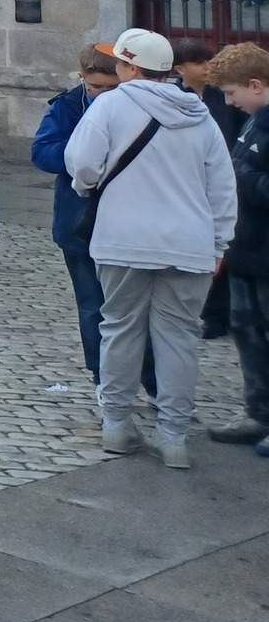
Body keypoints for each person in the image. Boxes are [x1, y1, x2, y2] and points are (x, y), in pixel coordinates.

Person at [65, 28, 236, 468]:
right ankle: (174, 435)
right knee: (178, 337)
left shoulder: (110, 105)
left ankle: (117, 425)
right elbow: (222, 185)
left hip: (122, 238)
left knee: (119, 328)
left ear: (130, 67)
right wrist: (220, 241)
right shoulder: (199, 113)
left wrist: (89, 187)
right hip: (189, 242)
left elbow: (81, 164)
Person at [31, 46, 134, 389]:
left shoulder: (135, 108)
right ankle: (101, 375)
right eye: (95, 88)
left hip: (127, 221)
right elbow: (42, 151)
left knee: (134, 308)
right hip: (80, 221)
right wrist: (82, 151)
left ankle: (148, 378)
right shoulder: (67, 106)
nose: (103, 96)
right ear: (82, 80)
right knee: (92, 304)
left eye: (110, 88)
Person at [207, 42, 269, 454]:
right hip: (246, 249)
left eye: (231, 93)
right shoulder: (253, 121)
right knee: (247, 333)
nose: (227, 101)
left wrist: (238, 173)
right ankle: (258, 412)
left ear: (255, 85)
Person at [174, 37, 244, 338]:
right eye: (199, 63)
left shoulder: (222, 95)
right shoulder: (174, 97)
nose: (207, 67)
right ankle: (212, 313)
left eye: (208, 60)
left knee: (230, 245)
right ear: (180, 69)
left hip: (229, 177)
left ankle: (232, 311)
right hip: (192, 181)